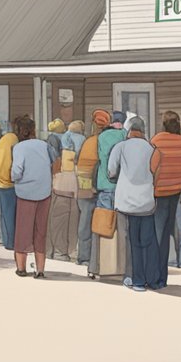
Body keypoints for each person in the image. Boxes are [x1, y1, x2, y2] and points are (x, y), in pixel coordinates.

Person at [109, 117, 163, 291]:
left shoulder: (121, 147)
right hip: (146, 201)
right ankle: (153, 280)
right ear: (143, 130)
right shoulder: (152, 148)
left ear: (129, 130)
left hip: (127, 202)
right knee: (148, 240)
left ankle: (137, 280)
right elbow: (156, 174)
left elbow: (111, 171)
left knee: (133, 242)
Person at [11, 115, 54, 278]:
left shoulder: (19, 148)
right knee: (40, 231)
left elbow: (17, 171)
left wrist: (14, 178)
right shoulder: (45, 145)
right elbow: (53, 162)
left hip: (25, 192)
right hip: (44, 192)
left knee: (23, 230)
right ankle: (40, 269)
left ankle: (21, 268)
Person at [150, 111, 181, 288]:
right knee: (166, 234)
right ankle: (162, 277)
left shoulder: (157, 140)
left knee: (157, 236)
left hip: (158, 192)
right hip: (175, 191)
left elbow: (151, 165)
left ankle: (155, 277)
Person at [93, 111, 128, 275]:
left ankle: (100, 266)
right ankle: (122, 266)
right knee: (123, 228)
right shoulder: (126, 135)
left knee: (102, 225)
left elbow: (100, 157)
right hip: (122, 187)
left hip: (105, 185)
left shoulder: (102, 137)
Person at [75, 109, 107, 279]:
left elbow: (76, 159)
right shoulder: (101, 142)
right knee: (93, 223)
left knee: (84, 222)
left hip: (82, 185)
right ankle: (88, 257)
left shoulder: (87, 142)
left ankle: (84, 256)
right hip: (93, 187)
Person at [45, 119, 77, 262]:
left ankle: (55, 251)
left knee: (58, 219)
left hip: (60, 185)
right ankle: (64, 251)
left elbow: (53, 162)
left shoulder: (53, 141)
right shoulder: (76, 150)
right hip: (75, 187)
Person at [0, 123, 18, 251]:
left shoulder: (4, 141)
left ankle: (7, 240)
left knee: (6, 213)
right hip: (8, 182)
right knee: (11, 213)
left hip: (1, 181)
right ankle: (10, 242)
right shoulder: (13, 141)